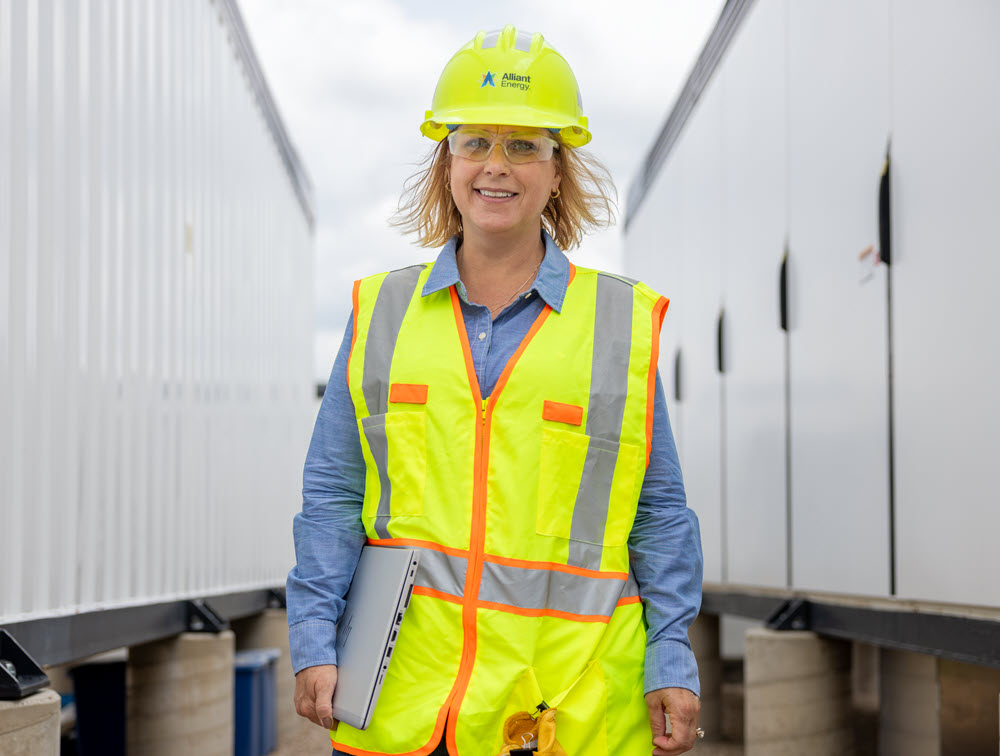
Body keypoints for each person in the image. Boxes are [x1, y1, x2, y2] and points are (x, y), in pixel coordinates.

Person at [288, 25, 703, 756]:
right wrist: (314, 635)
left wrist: (671, 653)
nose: (495, 166)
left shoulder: (617, 324)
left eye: (524, 145)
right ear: (447, 161)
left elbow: (658, 510)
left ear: (557, 169)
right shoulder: (382, 314)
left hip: (561, 710)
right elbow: (333, 492)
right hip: (408, 706)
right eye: (475, 141)